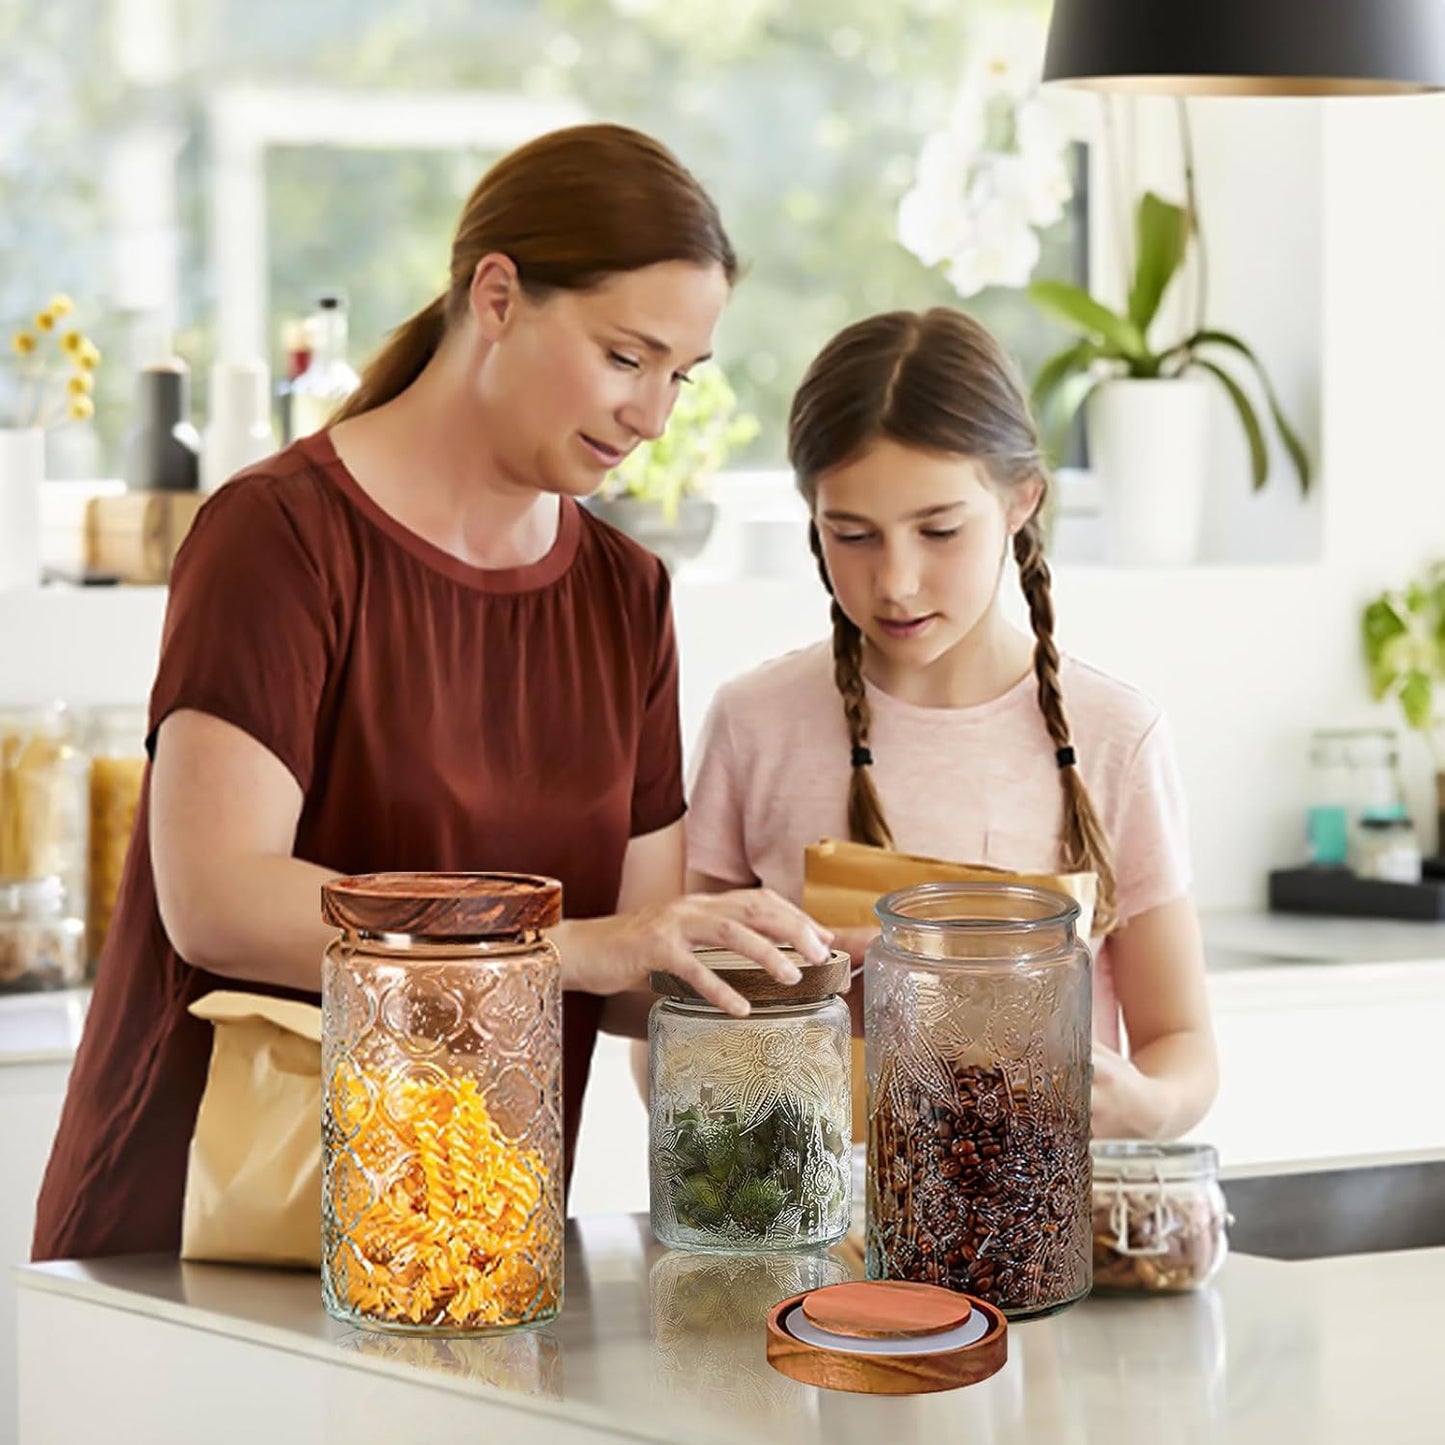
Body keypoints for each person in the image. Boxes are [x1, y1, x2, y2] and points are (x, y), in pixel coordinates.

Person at [33, 123, 833, 1262]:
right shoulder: (278, 537)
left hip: (466, 1245)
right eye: (625, 357)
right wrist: (568, 947)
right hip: (208, 1234)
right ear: (496, 297)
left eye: (679, 375)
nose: (653, 416)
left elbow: (627, 965)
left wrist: (807, 966)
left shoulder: (624, 593)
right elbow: (218, 898)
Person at [682, 307, 1218, 1140]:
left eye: (938, 530)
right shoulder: (753, 724)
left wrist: (1143, 1103)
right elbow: (674, 1022)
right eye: (850, 534)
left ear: (1020, 500)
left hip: (1037, 1212)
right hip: (812, 1210)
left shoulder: (1114, 735)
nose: (895, 580)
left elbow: (1179, 1042)